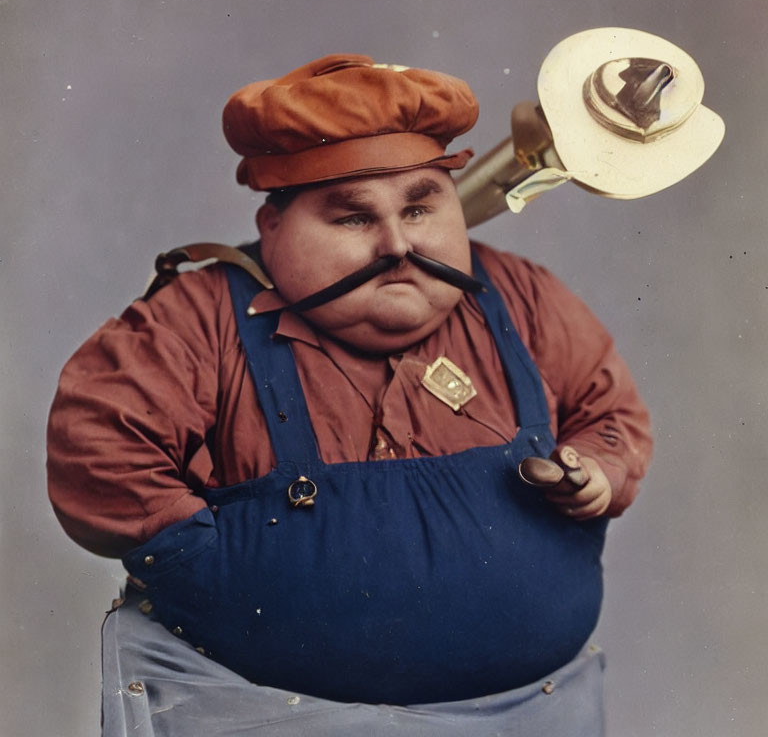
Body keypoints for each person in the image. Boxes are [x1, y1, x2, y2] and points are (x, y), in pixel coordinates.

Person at [47, 54, 652, 736]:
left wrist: (596, 474)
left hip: (529, 717)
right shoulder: (201, 315)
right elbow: (97, 448)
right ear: (274, 227)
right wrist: (215, 570)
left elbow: (609, 414)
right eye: (353, 219)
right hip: (252, 715)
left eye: (421, 208)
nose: (398, 244)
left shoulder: (524, 296)